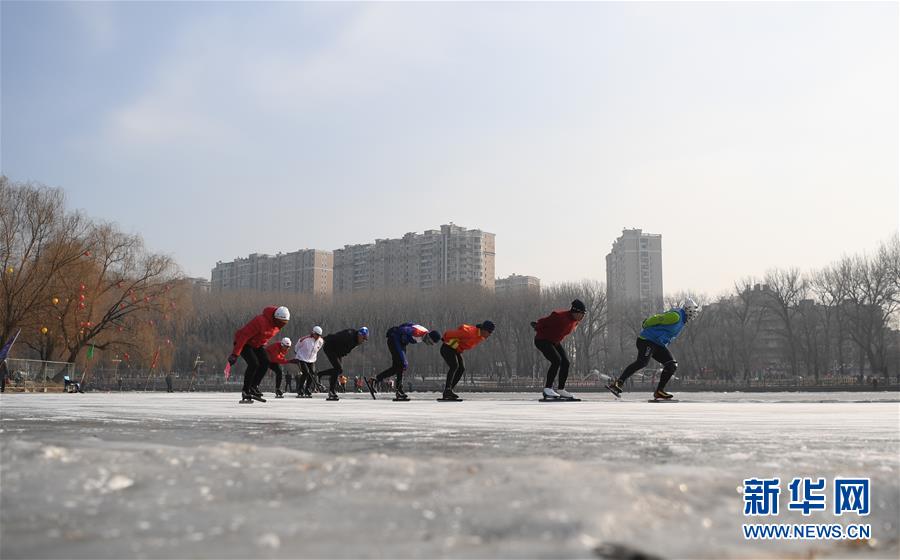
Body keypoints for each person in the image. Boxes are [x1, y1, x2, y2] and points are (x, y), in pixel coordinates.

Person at [606, 298, 700, 400]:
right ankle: (618, 383)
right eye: (692, 312)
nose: (693, 315)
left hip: (657, 344)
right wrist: (646, 323)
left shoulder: (682, 320)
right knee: (642, 362)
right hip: (647, 340)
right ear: (687, 310)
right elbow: (658, 318)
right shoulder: (676, 316)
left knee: (671, 365)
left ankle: (659, 391)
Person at [228, 306, 290, 404]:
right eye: (281, 323)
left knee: (265, 362)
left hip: (257, 344)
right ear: (275, 318)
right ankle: (246, 390)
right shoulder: (260, 321)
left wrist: (263, 345)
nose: (282, 325)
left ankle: (253, 387)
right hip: (244, 342)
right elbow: (244, 336)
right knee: (254, 364)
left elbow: (264, 337)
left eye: (284, 324)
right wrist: (235, 354)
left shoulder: (276, 326)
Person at [366, 323, 440, 401]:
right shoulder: (417, 333)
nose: (428, 344)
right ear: (428, 336)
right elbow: (401, 330)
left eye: (431, 344)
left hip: (401, 342)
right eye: (429, 341)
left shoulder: (425, 332)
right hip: (394, 339)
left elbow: (408, 324)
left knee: (396, 368)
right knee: (402, 364)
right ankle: (398, 390)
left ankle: (375, 380)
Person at [532, 299, 586, 401]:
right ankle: (547, 389)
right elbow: (544, 321)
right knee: (556, 361)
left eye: (584, 314)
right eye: (581, 314)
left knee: (566, 362)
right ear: (574, 311)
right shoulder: (559, 316)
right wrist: (537, 325)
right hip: (542, 340)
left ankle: (561, 389)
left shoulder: (575, 321)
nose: (582, 317)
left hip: (554, 341)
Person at [439, 321, 495, 401]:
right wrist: (445, 338)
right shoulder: (469, 333)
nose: (489, 335)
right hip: (447, 348)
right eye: (489, 332)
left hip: (455, 350)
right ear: (483, 330)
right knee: (454, 366)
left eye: (491, 333)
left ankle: (448, 391)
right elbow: (448, 334)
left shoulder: (480, 336)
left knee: (461, 368)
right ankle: (448, 389)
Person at [314, 327, 369, 401]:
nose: (363, 341)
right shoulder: (348, 335)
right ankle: (331, 391)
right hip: (330, 347)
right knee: (338, 369)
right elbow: (335, 336)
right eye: (363, 338)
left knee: (339, 370)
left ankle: (320, 374)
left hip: (337, 352)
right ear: (359, 335)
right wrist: (323, 339)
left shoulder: (356, 340)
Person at [293, 326, 324, 398]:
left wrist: (313, 356)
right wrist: (298, 354)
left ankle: (307, 389)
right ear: (313, 333)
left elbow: (317, 349)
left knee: (312, 374)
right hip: (302, 358)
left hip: (312, 359)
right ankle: (300, 389)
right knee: (306, 372)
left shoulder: (321, 341)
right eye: (317, 335)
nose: (318, 337)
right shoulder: (304, 339)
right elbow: (296, 347)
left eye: (319, 335)